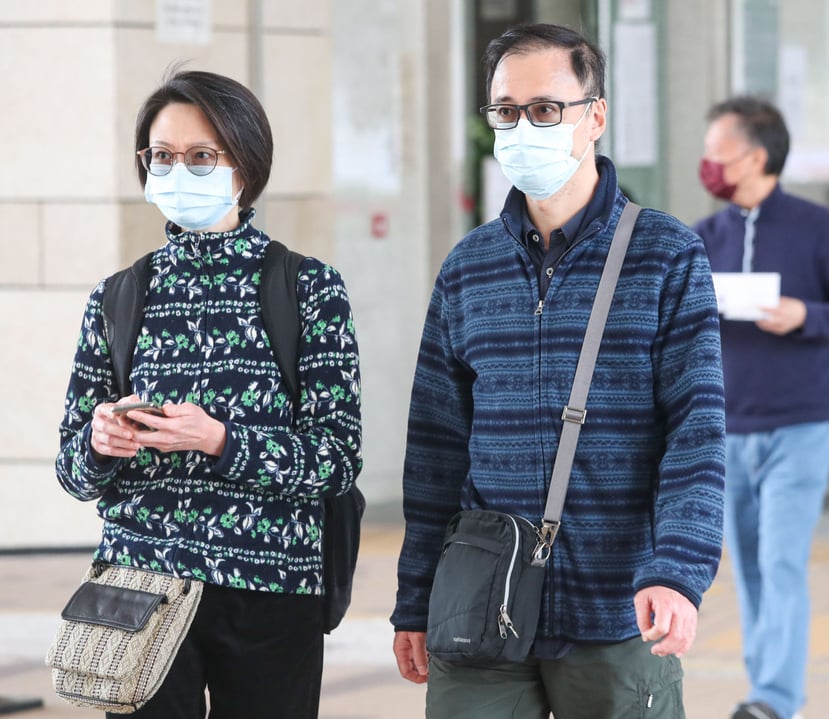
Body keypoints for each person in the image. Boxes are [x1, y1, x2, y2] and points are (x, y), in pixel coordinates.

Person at [390, 23, 726, 718]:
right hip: (481, 606)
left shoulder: (666, 255)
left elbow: (697, 430)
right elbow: (435, 450)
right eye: (506, 111)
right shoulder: (468, 266)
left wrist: (678, 570)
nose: (522, 126)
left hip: (617, 604)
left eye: (545, 109)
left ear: (595, 115)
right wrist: (415, 596)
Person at [55, 69, 362, 719]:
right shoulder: (118, 296)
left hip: (272, 591)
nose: (177, 171)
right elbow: (72, 471)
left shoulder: (307, 289)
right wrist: (100, 440)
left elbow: (335, 459)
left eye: (200, 156)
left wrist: (221, 440)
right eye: (161, 156)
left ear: (245, 166)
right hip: (141, 585)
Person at [693, 96, 829, 719]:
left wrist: (805, 316)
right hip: (725, 430)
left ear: (756, 156)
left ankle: (774, 699)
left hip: (799, 425)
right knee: (747, 567)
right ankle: (762, 689)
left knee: (780, 560)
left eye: (717, 152)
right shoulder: (702, 237)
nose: (708, 164)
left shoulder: (818, 227)